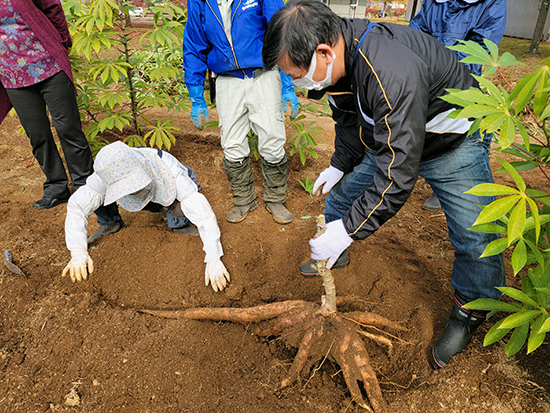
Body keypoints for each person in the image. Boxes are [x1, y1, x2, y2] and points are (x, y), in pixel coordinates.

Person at [262, 0, 505, 369]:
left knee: (477, 237)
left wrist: (349, 230)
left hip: (451, 141)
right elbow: (348, 119)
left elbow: (397, 175)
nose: (297, 84)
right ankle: (333, 254)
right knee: (342, 197)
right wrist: (339, 165)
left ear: (324, 52)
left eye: (297, 75)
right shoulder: (340, 61)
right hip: (395, 136)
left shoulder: (390, 69)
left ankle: (469, 312)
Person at [182, 0, 300, 225]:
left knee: (273, 139)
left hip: (263, 75)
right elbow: (194, 45)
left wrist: (287, 83)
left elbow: (280, 32)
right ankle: (244, 200)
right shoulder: (199, 2)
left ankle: (275, 199)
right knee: (232, 143)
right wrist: (196, 97)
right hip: (227, 80)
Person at [62, 141, 231, 292]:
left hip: (167, 188)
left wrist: (214, 258)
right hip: (138, 189)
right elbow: (77, 207)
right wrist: (77, 252)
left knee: (178, 211)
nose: (133, 190)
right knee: (95, 196)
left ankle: (177, 222)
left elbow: (204, 214)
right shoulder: (106, 172)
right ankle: (110, 223)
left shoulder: (170, 171)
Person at [409, 0, 507, 211]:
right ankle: (436, 182)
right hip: (429, 78)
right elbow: (416, 32)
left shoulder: (492, 3)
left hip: (464, 81)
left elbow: (480, 47)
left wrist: (439, 67)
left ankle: (467, 188)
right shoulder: (434, 2)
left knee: (471, 134)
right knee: (431, 127)